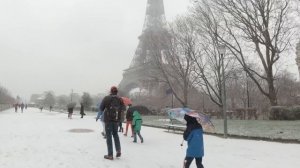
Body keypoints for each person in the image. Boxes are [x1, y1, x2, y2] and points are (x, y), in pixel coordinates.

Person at [100, 86, 125, 160]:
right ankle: (118, 150)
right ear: (117, 92)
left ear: (110, 91)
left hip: (108, 120)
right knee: (115, 135)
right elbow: (123, 108)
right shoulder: (120, 99)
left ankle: (110, 155)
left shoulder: (106, 98)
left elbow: (101, 108)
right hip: (116, 120)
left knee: (109, 137)